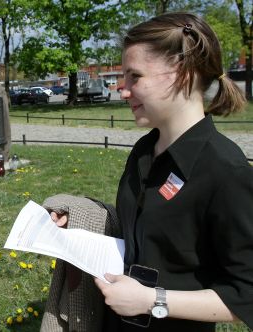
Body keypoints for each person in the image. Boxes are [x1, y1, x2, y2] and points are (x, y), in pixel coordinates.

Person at [92, 12, 253, 331]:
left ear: (183, 74)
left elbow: (246, 294)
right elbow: (140, 234)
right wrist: (81, 221)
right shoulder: (142, 151)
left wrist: (153, 300)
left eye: (134, 76)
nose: (123, 90)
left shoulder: (225, 171)